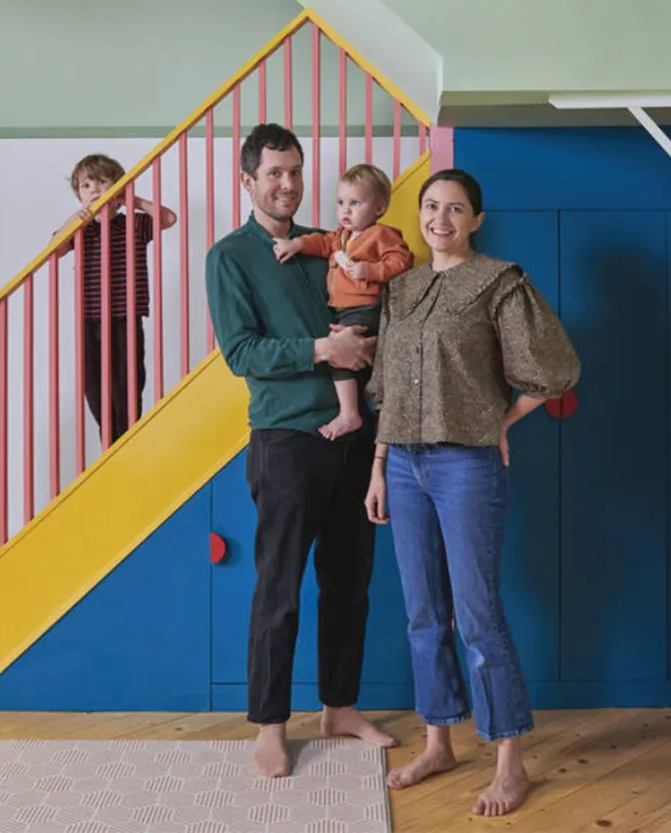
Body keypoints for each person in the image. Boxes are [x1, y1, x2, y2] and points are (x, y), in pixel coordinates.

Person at [364, 169, 580, 816]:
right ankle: (439, 742)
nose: (441, 218)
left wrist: (499, 422)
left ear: (476, 218)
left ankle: (510, 762)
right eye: (431, 206)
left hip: (466, 466)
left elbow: (554, 368)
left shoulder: (500, 282)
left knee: (478, 614)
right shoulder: (399, 289)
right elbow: (386, 387)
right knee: (423, 611)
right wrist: (378, 465)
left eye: (455, 209)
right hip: (402, 462)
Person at [205, 123, 396, 778]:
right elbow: (240, 352)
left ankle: (340, 706)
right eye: (275, 173)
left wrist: (365, 350)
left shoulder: (329, 246)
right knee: (279, 587)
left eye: (296, 170)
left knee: (350, 584)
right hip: (286, 438)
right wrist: (322, 350)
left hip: (356, 433)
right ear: (249, 180)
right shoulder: (230, 256)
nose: (288, 184)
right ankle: (269, 725)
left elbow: (366, 312)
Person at [272, 163, 413, 441]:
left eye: (355, 203)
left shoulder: (381, 234)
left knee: (341, 358)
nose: (345, 210)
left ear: (378, 208)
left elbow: (401, 261)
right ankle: (359, 408)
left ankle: (350, 414)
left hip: (366, 308)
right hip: (343, 310)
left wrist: (369, 271)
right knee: (346, 359)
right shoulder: (341, 237)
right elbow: (321, 242)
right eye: (341, 202)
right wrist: (297, 245)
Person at [52, 153, 177, 443]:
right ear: (79, 195)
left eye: (102, 182)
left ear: (118, 187)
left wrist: (131, 200)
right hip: (91, 317)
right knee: (94, 386)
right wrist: (75, 219)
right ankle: (109, 439)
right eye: (86, 185)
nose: (94, 189)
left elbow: (168, 219)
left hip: (126, 316)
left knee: (128, 381)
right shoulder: (81, 230)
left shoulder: (133, 224)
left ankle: (128, 436)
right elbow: (54, 250)